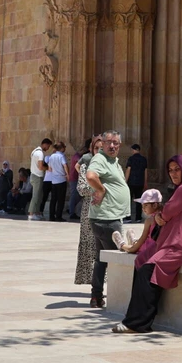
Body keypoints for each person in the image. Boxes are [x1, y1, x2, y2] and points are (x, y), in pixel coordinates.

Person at [112, 155, 182, 333]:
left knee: (148, 270)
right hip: (173, 242)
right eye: (170, 170)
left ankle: (138, 323)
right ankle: (136, 313)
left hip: (181, 245)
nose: (173, 173)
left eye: (177, 169)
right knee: (141, 261)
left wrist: (159, 216)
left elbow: (167, 211)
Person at [85, 130, 130, 309]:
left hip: (106, 216)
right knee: (116, 259)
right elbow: (90, 176)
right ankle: (119, 299)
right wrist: (101, 190)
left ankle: (96, 297)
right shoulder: (100, 159)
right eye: (109, 142)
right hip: (107, 218)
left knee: (101, 259)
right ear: (102, 143)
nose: (112, 146)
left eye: (116, 143)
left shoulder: (113, 161)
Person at [73, 134, 103, 286]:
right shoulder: (86, 164)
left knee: (106, 245)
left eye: (101, 148)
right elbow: (82, 188)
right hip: (90, 210)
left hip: (107, 210)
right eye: (95, 148)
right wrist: (101, 188)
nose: (98, 151)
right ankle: (91, 281)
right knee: (89, 243)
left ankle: (104, 281)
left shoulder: (111, 165)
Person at [26, 138, 52, 221]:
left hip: (33, 175)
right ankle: (31, 213)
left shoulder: (34, 151)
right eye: (48, 146)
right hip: (37, 176)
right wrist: (48, 168)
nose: (48, 148)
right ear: (45, 144)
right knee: (36, 196)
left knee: (39, 195)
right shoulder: (40, 153)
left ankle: (37, 213)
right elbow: (40, 167)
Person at [44, 142, 68, 222]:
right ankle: (58, 216)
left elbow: (49, 168)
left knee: (53, 199)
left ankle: (51, 216)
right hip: (61, 179)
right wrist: (67, 174)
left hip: (53, 180)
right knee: (61, 199)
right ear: (61, 148)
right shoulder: (61, 156)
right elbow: (65, 165)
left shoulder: (51, 157)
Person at [125, 144, 148, 222]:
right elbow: (145, 171)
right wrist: (145, 182)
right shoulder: (144, 159)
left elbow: (128, 170)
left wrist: (125, 181)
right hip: (140, 182)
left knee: (128, 200)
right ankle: (138, 217)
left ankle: (128, 218)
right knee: (139, 200)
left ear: (133, 150)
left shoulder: (131, 159)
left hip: (131, 182)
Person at [67, 138, 87, 220]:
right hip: (74, 178)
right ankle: (71, 212)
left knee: (78, 196)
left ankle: (72, 209)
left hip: (76, 178)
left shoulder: (77, 156)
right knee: (74, 196)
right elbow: (79, 164)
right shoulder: (77, 157)